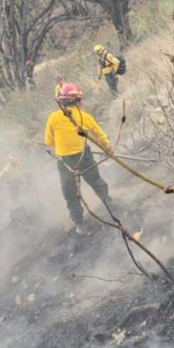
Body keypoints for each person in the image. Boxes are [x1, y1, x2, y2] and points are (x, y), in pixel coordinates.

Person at [45, 83, 115, 234]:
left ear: (62, 101)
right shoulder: (85, 117)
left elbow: (48, 141)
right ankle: (110, 206)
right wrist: (108, 148)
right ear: (78, 100)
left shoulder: (53, 117)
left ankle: (79, 224)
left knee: (70, 193)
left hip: (65, 161)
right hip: (85, 157)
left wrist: (63, 145)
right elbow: (100, 135)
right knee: (96, 182)